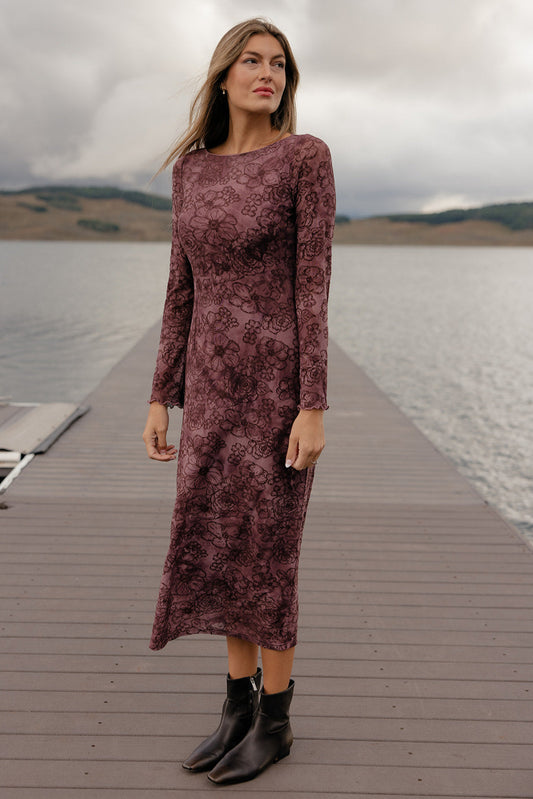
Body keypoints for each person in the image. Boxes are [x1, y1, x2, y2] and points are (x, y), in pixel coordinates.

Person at [142, 17, 335, 786]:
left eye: (279, 64)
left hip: (277, 386)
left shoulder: (303, 159)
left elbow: (313, 287)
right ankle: (233, 707)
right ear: (222, 77)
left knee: (268, 551)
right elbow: (179, 287)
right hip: (211, 389)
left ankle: (276, 718)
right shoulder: (191, 172)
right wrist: (162, 394)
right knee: (220, 545)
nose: (268, 74)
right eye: (252, 62)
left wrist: (312, 402)